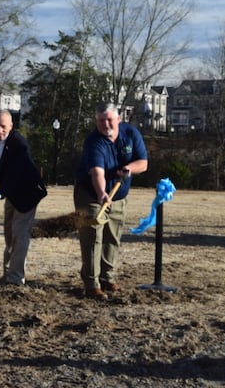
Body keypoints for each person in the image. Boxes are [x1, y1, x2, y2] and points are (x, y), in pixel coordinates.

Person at [74, 102, 148, 300]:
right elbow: (97, 173)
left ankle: (107, 277)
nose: (106, 124)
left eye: (109, 120)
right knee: (92, 237)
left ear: (118, 119)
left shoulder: (131, 134)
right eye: (101, 120)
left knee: (111, 237)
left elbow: (143, 163)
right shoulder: (93, 142)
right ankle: (91, 284)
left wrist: (129, 169)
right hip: (91, 195)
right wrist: (101, 194)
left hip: (119, 196)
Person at [0, 110, 47, 286]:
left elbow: (14, 176)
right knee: (9, 235)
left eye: (3, 126)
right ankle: (7, 274)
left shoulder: (20, 145)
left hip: (28, 192)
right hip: (11, 192)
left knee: (20, 235)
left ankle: (16, 278)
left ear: (11, 126)